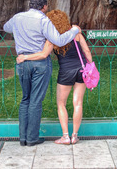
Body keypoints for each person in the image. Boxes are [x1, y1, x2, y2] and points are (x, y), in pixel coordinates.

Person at [3, 0, 81, 147]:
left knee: (26, 98)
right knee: (35, 101)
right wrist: (74, 31)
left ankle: (23, 138)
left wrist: (21, 32)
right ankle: (32, 138)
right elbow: (58, 40)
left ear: (30, 4)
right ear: (44, 6)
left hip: (22, 62)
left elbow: (6, 28)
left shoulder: (17, 18)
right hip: (40, 64)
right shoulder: (43, 20)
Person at [16, 9, 93, 145]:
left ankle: (65, 136)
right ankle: (75, 136)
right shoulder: (77, 34)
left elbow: (43, 54)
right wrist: (91, 66)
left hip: (65, 73)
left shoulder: (52, 39)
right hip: (82, 71)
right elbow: (86, 51)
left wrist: (24, 57)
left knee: (61, 103)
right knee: (78, 103)